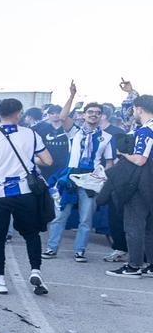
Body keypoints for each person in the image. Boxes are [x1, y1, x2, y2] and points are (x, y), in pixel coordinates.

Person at [0, 98, 54, 295]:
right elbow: (48, 160)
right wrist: (29, 157)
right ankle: (35, 270)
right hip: (25, 192)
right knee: (31, 234)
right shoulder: (31, 134)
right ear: (19, 113)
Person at [44, 99, 115, 261]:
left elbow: (109, 162)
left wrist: (103, 179)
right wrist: (72, 95)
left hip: (90, 179)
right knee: (61, 215)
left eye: (97, 113)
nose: (94, 115)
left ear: (101, 116)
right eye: (90, 112)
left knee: (86, 218)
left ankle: (80, 251)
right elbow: (62, 117)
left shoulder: (106, 137)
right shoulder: (74, 131)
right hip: (71, 176)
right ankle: (51, 248)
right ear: (84, 115)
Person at [108, 95, 153, 277]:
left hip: (142, 183)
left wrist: (123, 154)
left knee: (134, 225)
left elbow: (140, 160)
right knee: (150, 227)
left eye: (134, 109)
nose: (134, 112)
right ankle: (150, 264)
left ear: (139, 109)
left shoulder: (145, 131)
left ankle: (134, 265)